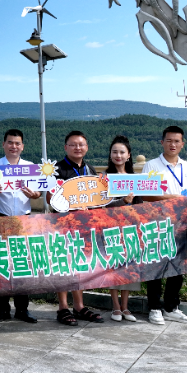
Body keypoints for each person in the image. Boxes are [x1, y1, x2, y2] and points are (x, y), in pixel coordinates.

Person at [141, 126, 187, 324]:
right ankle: (154, 308)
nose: (172, 144)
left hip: (182, 224)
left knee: (179, 267)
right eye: (169, 141)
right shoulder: (151, 166)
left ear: (182, 144)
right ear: (162, 142)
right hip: (158, 224)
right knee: (156, 267)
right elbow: (145, 195)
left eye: (176, 141)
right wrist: (171, 198)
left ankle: (171, 307)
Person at [0, 129, 40, 324]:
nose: (13, 146)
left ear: (22, 146)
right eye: (10, 142)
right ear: (3, 144)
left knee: (22, 264)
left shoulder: (30, 167)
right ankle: (2, 310)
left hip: (23, 220)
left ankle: (22, 309)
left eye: (17, 143)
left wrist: (35, 195)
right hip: (0, 219)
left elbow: (38, 192)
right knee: (1, 264)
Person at [50, 131, 104, 326]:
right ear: (66, 147)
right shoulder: (57, 169)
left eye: (81, 144)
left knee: (80, 264)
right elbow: (51, 198)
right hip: (62, 225)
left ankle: (79, 306)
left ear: (87, 147)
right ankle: (63, 307)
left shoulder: (90, 169)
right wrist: (73, 206)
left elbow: (97, 197)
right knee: (63, 265)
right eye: (73, 144)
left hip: (83, 226)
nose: (77, 148)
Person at [103, 135, 141, 323]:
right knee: (114, 267)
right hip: (111, 228)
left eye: (122, 152)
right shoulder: (104, 179)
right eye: (114, 152)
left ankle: (125, 307)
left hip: (131, 228)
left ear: (128, 155)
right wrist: (123, 201)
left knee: (129, 268)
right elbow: (102, 206)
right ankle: (115, 306)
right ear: (110, 155)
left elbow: (141, 205)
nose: (118, 155)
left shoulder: (135, 179)